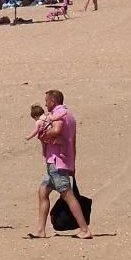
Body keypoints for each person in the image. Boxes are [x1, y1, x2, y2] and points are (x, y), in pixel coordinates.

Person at [30, 88, 91, 240]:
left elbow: (56, 130)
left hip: (57, 162)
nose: (45, 105)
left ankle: (84, 229)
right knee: (43, 192)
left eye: (47, 102)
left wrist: (43, 135)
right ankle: (41, 230)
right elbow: (73, 141)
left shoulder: (58, 114)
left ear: (53, 101)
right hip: (59, 162)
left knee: (68, 195)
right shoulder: (70, 116)